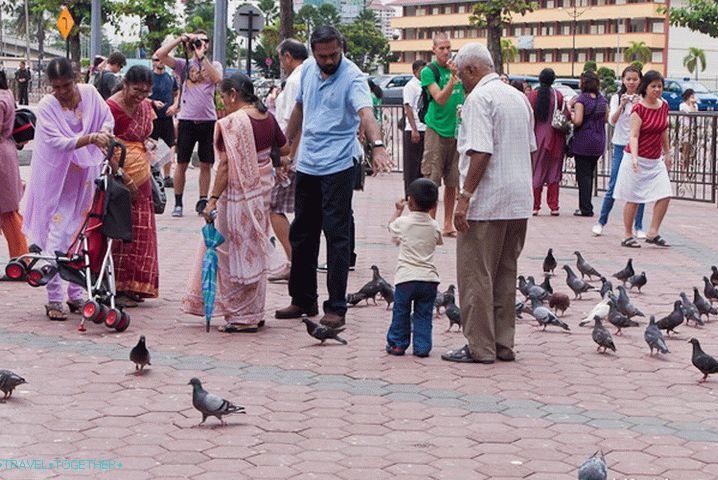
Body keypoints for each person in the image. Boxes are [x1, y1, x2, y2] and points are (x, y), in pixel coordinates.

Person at [274, 26, 392, 329]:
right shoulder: (308, 71)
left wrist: (376, 146)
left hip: (339, 164)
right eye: (323, 55)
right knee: (303, 233)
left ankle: (336, 307)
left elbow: (366, 113)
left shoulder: (352, 76)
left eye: (334, 55)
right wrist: (287, 145)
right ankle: (303, 299)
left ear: (342, 49)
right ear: (313, 52)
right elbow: (299, 108)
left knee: (336, 236)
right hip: (309, 163)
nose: (328, 61)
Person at [441, 43, 535, 364]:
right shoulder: (518, 97)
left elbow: (481, 151)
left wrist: (464, 198)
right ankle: (503, 343)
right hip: (518, 199)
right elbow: (530, 148)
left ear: (470, 70)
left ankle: (480, 346)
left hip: (487, 200)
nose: (459, 81)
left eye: (459, 73)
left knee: (476, 274)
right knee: (506, 272)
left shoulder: (480, 99)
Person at [183, 73, 289, 332]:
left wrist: (212, 200)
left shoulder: (233, 123)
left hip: (237, 195)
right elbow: (283, 148)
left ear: (233, 94)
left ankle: (242, 317)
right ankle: (255, 311)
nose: (222, 103)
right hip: (262, 191)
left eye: (223, 97)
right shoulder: (267, 116)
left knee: (233, 252)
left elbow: (226, 166)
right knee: (256, 246)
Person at [22, 58, 114, 321]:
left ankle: (76, 294)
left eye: (67, 85)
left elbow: (106, 121)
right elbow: (56, 142)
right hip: (57, 179)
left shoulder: (90, 94)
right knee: (57, 236)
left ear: (77, 78)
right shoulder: (48, 106)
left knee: (82, 232)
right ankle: (53, 297)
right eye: (56, 87)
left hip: (85, 176)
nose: (62, 92)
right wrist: (90, 138)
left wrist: (103, 134)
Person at [155, 30, 223, 218]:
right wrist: (180, 39)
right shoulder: (182, 64)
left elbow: (218, 79)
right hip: (186, 120)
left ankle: (202, 200)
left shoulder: (214, 64)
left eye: (205, 41)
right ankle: (178, 202)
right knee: (182, 163)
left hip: (208, 120)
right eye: (198, 42)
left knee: (206, 163)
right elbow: (160, 55)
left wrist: (202, 58)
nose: (202, 44)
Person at [107, 66, 160, 307]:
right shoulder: (110, 108)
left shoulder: (145, 107)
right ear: (125, 84)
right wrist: (123, 176)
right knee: (120, 230)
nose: (141, 97)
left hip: (142, 176)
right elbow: (105, 145)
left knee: (141, 232)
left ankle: (136, 285)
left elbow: (144, 134)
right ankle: (117, 286)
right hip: (119, 178)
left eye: (146, 92)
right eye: (137, 91)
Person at [614, 70, 672, 248]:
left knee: (665, 194)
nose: (657, 90)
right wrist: (635, 159)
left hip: (655, 160)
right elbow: (634, 135)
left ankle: (653, 232)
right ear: (645, 88)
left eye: (659, 86)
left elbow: (663, 130)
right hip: (636, 157)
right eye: (653, 86)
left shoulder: (663, 106)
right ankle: (627, 234)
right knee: (633, 197)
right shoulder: (638, 109)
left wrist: (667, 153)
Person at [385, 178, 442, 358]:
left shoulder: (404, 223)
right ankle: (422, 347)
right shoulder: (434, 226)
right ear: (434, 205)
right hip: (429, 279)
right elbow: (438, 240)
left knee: (401, 312)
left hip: (406, 279)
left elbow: (390, 227)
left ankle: (397, 344)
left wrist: (398, 211)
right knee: (424, 314)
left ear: (410, 202)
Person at [268, 39, 308, 283]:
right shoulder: (308, 75)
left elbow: (296, 121)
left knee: (274, 207)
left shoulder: (295, 81)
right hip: (299, 154)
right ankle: (297, 261)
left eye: (281, 58)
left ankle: (295, 262)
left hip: (292, 155)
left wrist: (287, 156)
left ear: (288, 56)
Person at [420, 32, 465, 237]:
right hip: (436, 130)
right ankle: (431, 224)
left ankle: (448, 224)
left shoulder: (457, 69)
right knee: (432, 179)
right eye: (442, 48)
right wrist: (453, 80)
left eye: (449, 48)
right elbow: (439, 98)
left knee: (453, 181)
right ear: (434, 50)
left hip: (456, 131)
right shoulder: (429, 71)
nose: (446, 52)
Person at [593, 66, 644, 237]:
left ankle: (639, 226)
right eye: (628, 79)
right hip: (620, 145)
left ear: (640, 81)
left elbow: (646, 122)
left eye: (635, 79)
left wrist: (638, 105)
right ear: (623, 80)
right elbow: (612, 121)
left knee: (639, 187)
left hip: (638, 147)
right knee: (613, 184)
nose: (631, 82)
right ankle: (601, 221)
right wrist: (622, 105)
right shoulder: (616, 97)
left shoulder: (643, 99)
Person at [0, 70, 29, 274]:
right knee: (8, 211)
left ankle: (21, 261)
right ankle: (21, 260)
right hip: (6, 152)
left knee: (8, 212)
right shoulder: (6, 94)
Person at [528, 68, 567, 216]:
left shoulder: (533, 95)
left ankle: (535, 206)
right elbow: (566, 115)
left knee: (537, 171)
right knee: (554, 172)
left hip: (537, 138)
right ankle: (554, 206)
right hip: (556, 137)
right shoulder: (558, 95)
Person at [569, 70, 608, 217]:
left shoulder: (581, 100)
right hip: (599, 141)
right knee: (590, 175)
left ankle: (585, 208)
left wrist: (570, 112)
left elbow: (578, 120)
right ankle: (587, 205)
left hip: (584, 141)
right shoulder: (602, 99)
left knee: (583, 176)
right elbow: (605, 119)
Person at [149, 55, 180, 187]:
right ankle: (151, 174)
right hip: (151, 117)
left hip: (166, 117)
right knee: (151, 146)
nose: (159, 62)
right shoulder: (148, 77)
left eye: (161, 59)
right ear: (152, 62)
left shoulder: (170, 78)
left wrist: (174, 106)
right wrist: (153, 102)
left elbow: (177, 92)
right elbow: (141, 95)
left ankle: (167, 176)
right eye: (156, 60)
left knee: (168, 146)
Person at [402, 60, 427, 198]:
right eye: (422, 71)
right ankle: (410, 193)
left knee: (423, 163)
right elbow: (408, 107)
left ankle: (421, 193)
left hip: (426, 128)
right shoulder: (410, 86)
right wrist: (414, 129)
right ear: (416, 71)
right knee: (412, 164)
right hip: (414, 128)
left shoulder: (426, 85)